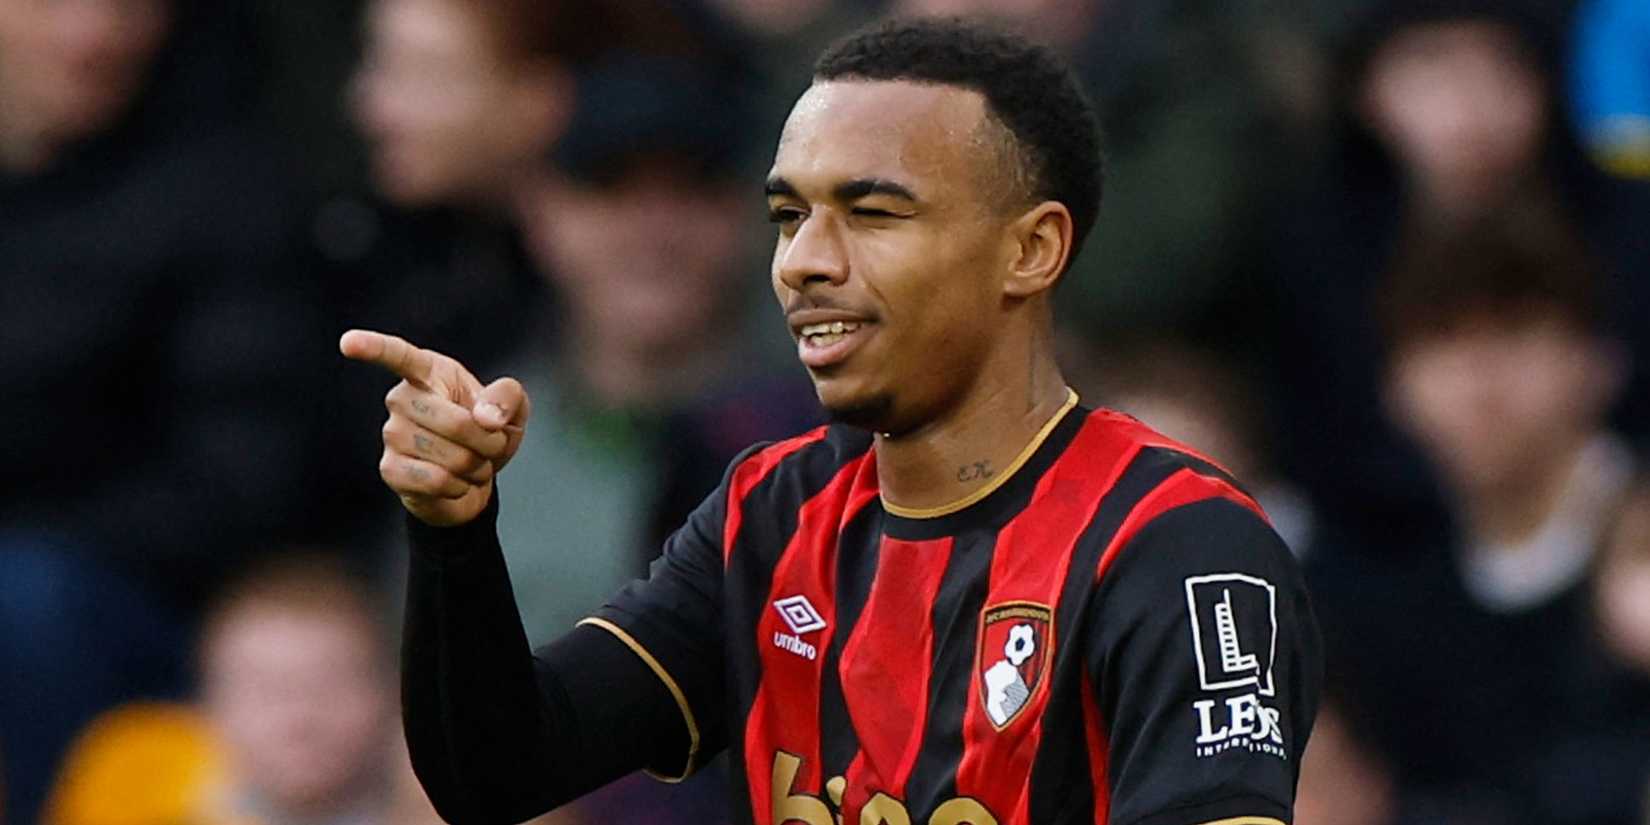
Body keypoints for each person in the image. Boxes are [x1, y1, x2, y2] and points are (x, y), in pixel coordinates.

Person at [342, 17, 1321, 825]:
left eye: (873, 213)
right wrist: (454, 532)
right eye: (788, 215)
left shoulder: (1178, 549)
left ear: (1031, 250)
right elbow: (496, 774)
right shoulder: (770, 515)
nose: (804, 261)